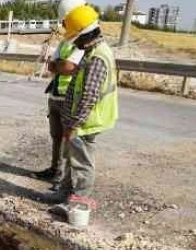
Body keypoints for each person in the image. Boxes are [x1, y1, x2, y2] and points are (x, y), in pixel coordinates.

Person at [54, 4, 119, 213]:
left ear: (85, 34)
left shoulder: (98, 57)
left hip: (87, 121)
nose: (76, 42)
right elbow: (76, 86)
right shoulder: (90, 52)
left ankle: (77, 204)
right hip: (78, 119)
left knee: (82, 164)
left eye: (76, 38)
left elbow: (89, 96)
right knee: (72, 158)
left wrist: (73, 123)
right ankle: (64, 196)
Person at [35, 0, 86, 190]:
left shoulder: (81, 43)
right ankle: (54, 169)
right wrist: (58, 66)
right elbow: (52, 65)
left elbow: (68, 67)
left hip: (70, 99)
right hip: (55, 95)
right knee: (56, 137)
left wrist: (59, 65)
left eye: (65, 22)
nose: (63, 25)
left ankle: (63, 180)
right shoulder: (65, 42)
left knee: (68, 140)